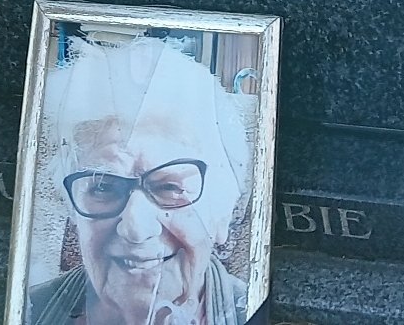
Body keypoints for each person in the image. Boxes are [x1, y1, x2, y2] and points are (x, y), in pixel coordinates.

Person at [28, 34, 253, 325]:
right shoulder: (29, 309)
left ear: (222, 213)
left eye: (169, 187)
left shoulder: (253, 312)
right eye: (103, 187)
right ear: (75, 212)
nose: (135, 228)